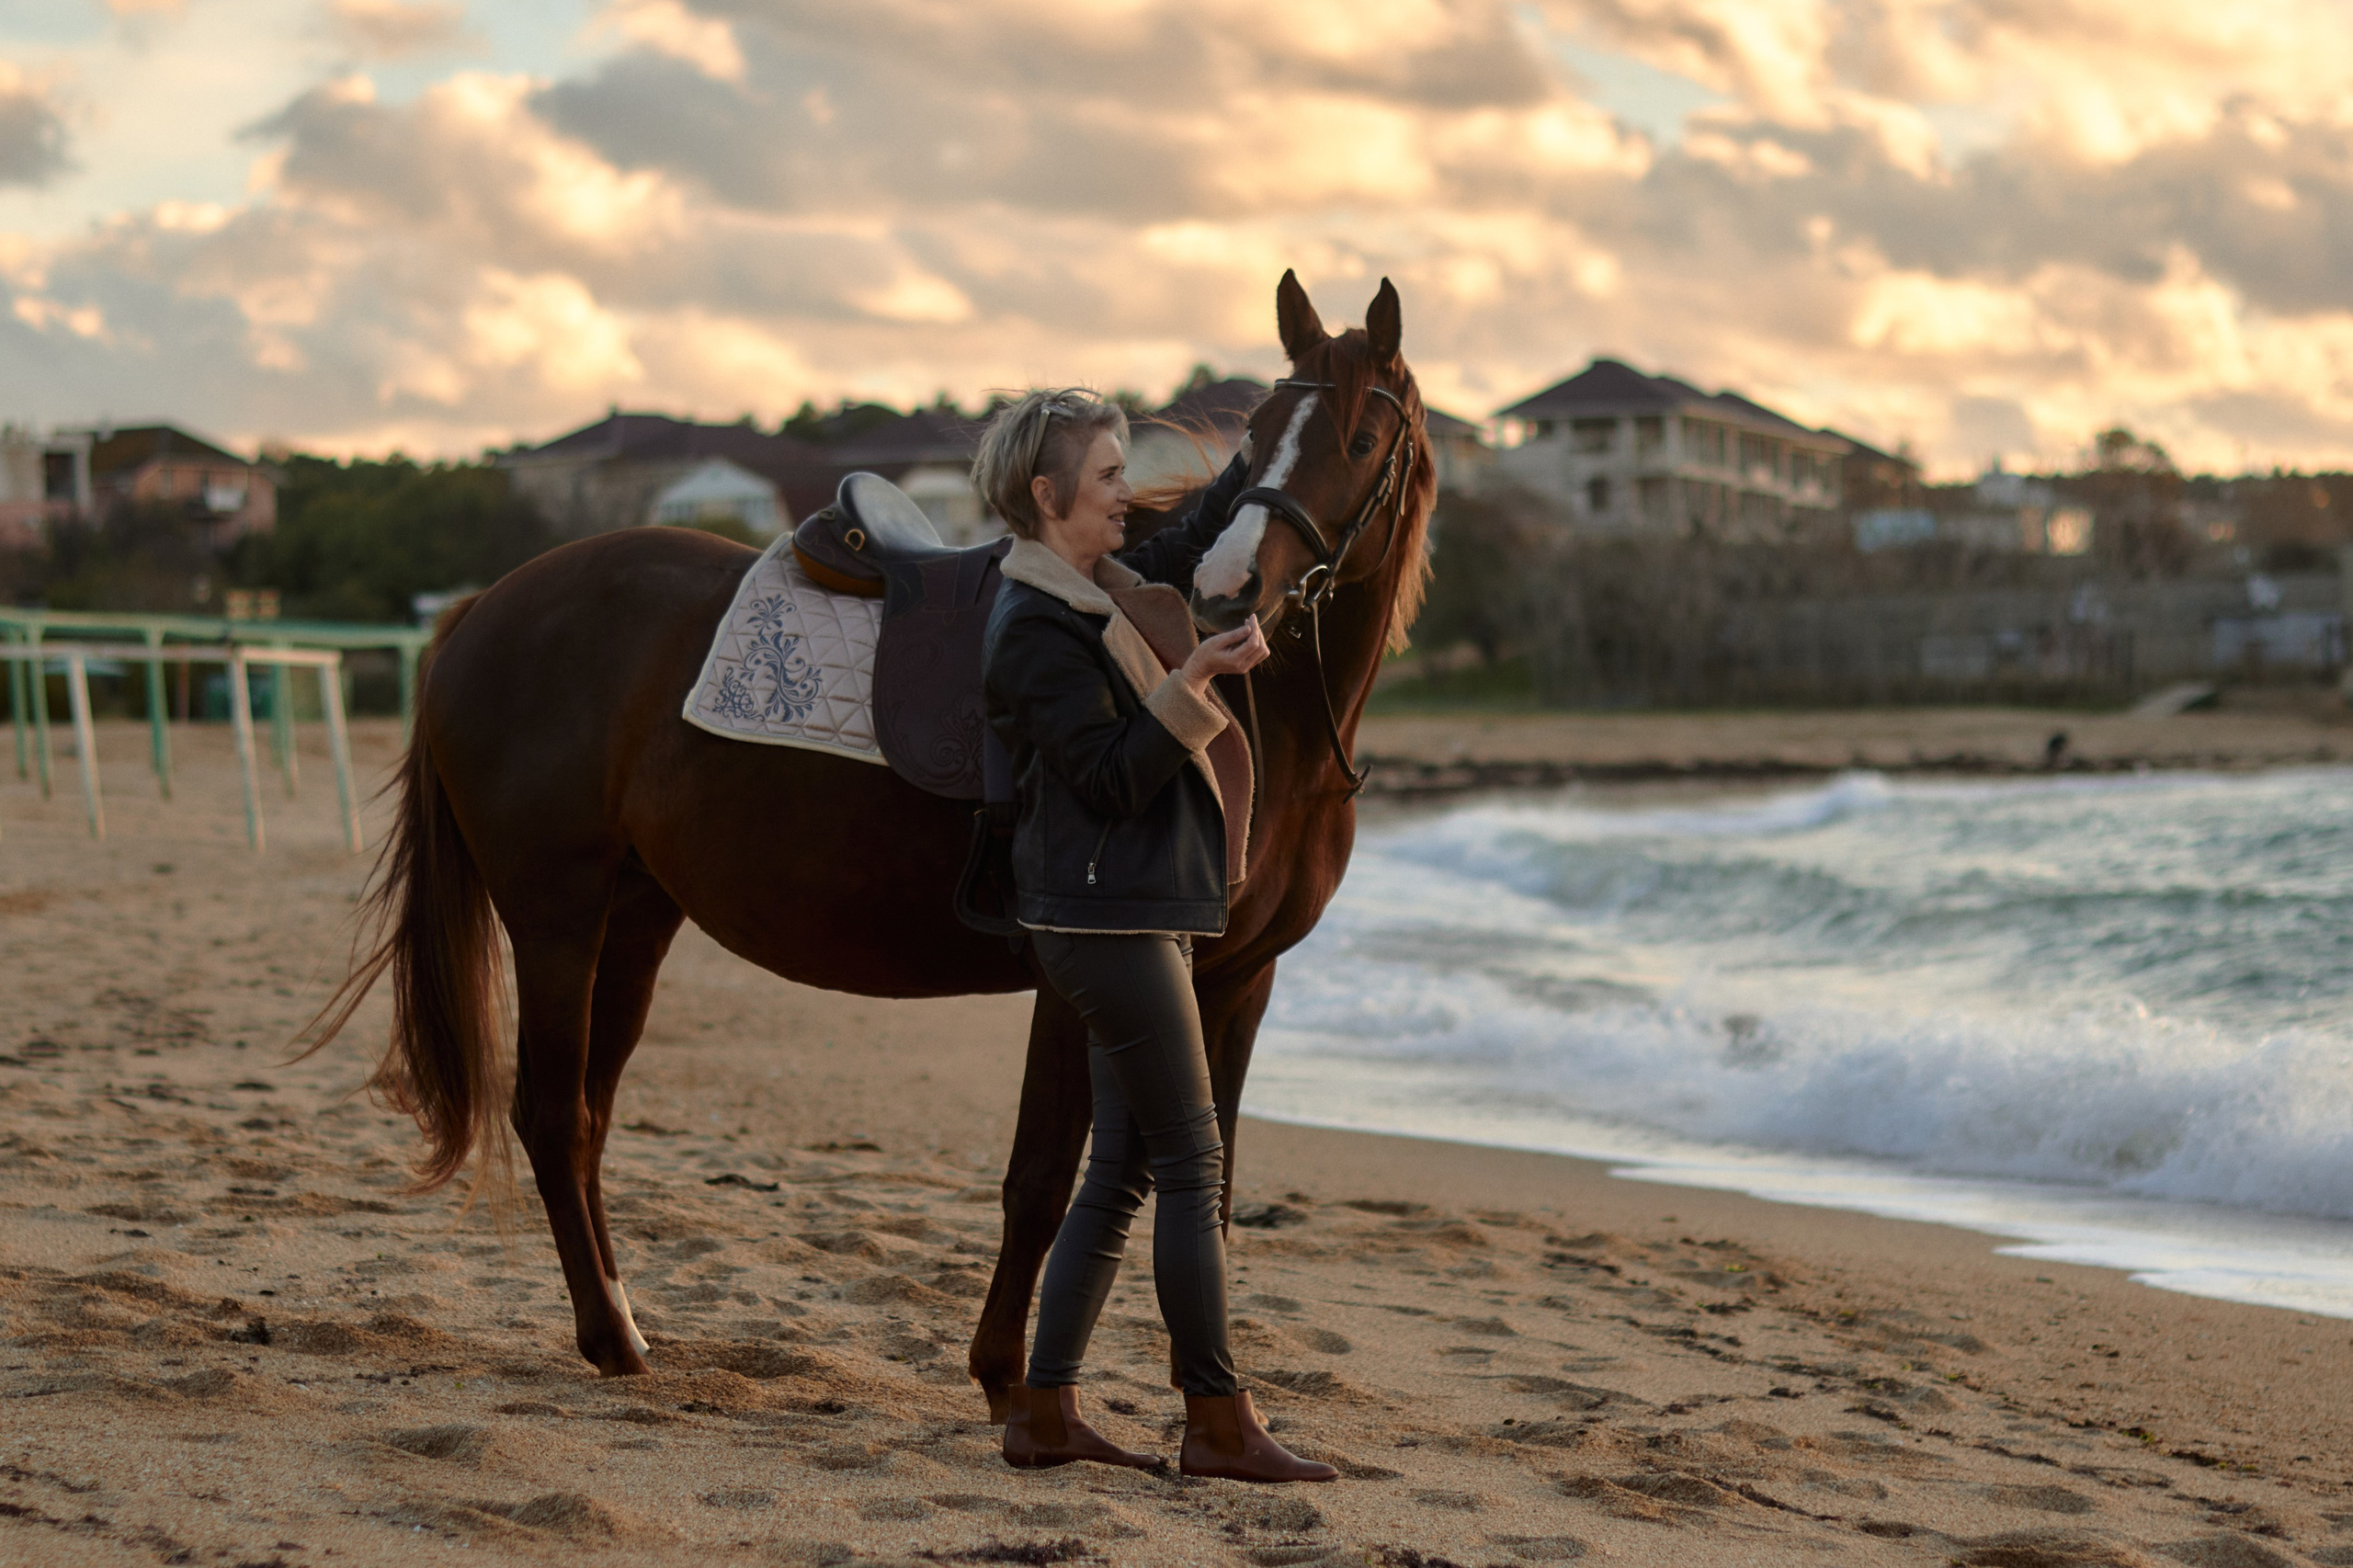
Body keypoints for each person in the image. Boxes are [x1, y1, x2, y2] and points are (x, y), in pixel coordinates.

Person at [975, 388, 1337, 1484]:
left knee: (1126, 1167)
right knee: (1190, 1159)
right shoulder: (1034, 625)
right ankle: (1217, 1421)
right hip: (1108, 920)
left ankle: (1046, 1409)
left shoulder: (1098, 589)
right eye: (1107, 477)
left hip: (1133, 913)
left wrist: (1254, 466)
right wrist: (1198, 679)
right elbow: (1106, 778)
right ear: (1047, 495)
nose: (1126, 495)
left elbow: (1183, 546)